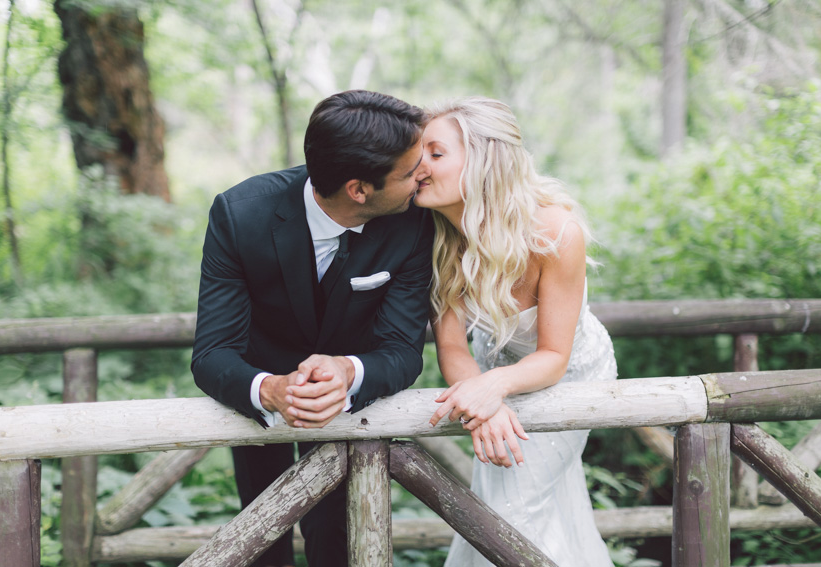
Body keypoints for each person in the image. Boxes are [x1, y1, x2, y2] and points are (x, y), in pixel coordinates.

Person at [191, 90, 434, 567]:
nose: (421, 175)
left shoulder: (414, 223)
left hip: (353, 411)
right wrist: (271, 390)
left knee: (341, 543)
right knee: (260, 540)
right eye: (409, 172)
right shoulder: (240, 215)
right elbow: (212, 353)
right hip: (257, 406)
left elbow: (403, 350)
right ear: (358, 189)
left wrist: (349, 371)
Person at [417, 97, 617, 566]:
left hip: (570, 374)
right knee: (504, 509)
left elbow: (553, 355)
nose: (418, 165)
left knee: (511, 515)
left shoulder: (556, 232)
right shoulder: (432, 237)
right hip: (493, 365)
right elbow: (450, 345)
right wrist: (483, 402)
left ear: (485, 159)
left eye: (436, 153)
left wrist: (492, 388)